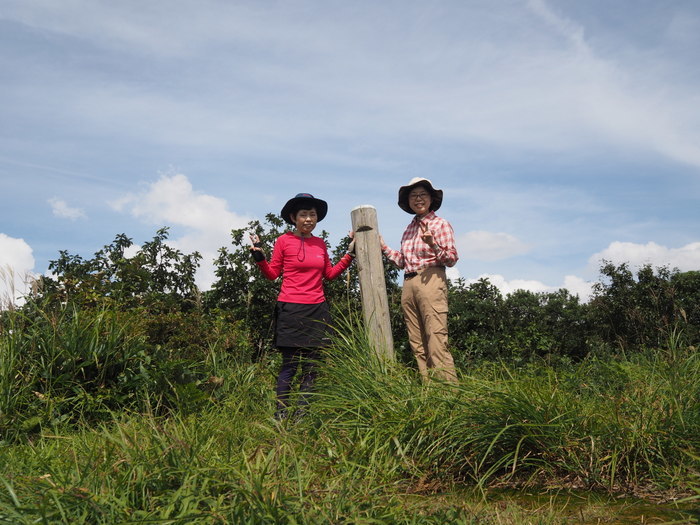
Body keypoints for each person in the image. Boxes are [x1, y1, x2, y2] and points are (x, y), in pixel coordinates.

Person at [250, 193, 355, 420]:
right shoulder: (283, 241)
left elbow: (329, 274)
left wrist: (349, 254)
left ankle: (301, 414)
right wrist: (260, 259)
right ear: (293, 218)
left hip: (317, 309)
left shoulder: (320, 243)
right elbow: (272, 274)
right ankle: (281, 414)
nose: (309, 219)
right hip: (289, 308)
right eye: (304, 215)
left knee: (312, 366)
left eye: (313, 215)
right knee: (290, 364)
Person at [381, 178, 459, 382]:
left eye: (423, 194)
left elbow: (451, 259)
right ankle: (429, 391)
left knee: (436, 337)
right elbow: (401, 261)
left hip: (431, 278)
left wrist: (433, 244)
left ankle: (450, 393)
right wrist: (383, 246)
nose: (418, 199)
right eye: (413, 195)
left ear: (431, 199)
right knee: (417, 342)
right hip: (408, 283)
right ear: (408, 201)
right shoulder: (408, 229)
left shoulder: (440, 224)